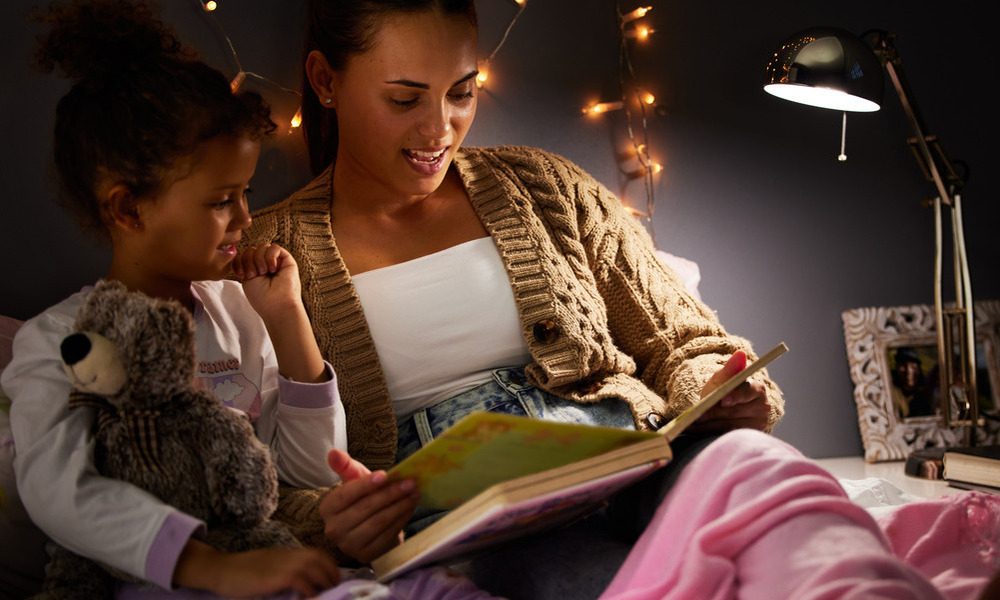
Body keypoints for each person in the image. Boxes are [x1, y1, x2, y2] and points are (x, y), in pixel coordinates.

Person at [235, 1, 996, 599]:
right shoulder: (265, 254)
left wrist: (717, 390)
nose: (441, 129)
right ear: (326, 81)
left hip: (636, 449)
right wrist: (328, 523)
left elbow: (684, 340)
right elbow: (252, 484)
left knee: (771, 481)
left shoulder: (542, 185)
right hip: (492, 523)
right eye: (405, 99)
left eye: (462, 92)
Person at [2, 1, 349, 597]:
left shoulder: (236, 312)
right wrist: (209, 567)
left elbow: (306, 476)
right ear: (128, 208)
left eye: (245, 192)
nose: (245, 216)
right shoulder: (60, 340)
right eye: (220, 201)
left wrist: (287, 320)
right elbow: (58, 491)